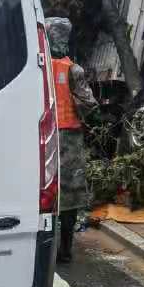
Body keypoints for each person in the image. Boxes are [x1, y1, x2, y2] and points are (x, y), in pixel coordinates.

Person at [46, 17, 96, 264]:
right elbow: (88, 103)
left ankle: (39, 249)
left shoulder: (37, 67)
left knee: (42, 190)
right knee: (69, 195)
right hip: (68, 138)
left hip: (42, 135)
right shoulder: (73, 70)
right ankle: (65, 250)